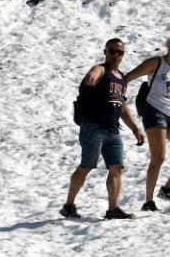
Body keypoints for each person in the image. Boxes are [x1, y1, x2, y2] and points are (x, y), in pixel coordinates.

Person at [61, 38, 145, 220]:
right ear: (105, 51)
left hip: (113, 131)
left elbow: (122, 106)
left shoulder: (122, 78)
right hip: (93, 127)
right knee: (86, 166)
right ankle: (68, 206)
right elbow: (94, 72)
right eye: (112, 51)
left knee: (116, 168)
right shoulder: (101, 69)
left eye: (120, 52)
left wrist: (135, 129)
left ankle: (113, 209)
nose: (116, 55)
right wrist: (91, 76)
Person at [125, 32, 170, 211]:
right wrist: (116, 92)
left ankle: (168, 188)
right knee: (159, 157)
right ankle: (148, 202)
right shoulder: (156, 63)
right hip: (154, 111)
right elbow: (128, 77)